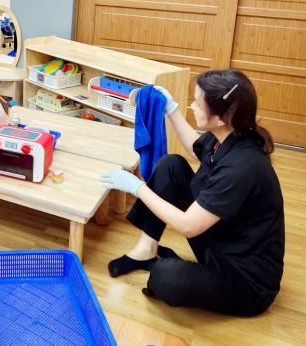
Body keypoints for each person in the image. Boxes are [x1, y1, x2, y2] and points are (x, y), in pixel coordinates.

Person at [100, 70, 284, 317]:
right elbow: (197, 148)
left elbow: (188, 226)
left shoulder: (242, 166)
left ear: (222, 117)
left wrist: (137, 187)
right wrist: (171, 109)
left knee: (165, 277)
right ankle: (146, 250)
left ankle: (166, 268)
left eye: (198, 103)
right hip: (222, 239)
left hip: (246, 280)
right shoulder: (228, 135)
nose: (192, 106)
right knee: (171, 166)